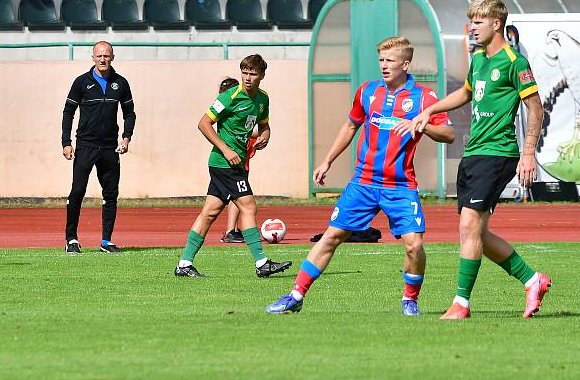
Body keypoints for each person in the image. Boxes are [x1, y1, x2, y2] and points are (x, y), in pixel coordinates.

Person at [266, 37, 455, 314]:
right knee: (330, 237)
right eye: (381, 60)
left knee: (414, 246)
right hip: (363, 182)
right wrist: (327, 161)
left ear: (406, 64)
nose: (384, 65)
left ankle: (409, 300)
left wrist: (422, 123)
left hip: (400, 186)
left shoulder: (425, 98)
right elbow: (350, 125)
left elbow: (449, 134)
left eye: (390, 60)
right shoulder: (367, 91)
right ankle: (295, 295)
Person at [407, 0, 551, 319]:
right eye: (471, 21)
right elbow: (466, 94)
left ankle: (461, 303)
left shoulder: (515, 62)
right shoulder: (480, 59)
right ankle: (532, 279)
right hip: (474, 153)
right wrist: (430, 109)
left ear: (496, 23)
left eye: (478, 22)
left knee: (469, 226)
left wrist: (528, 153)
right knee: (476, 233)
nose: (472, 27)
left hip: (498, 153)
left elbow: (536, 107)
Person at [174, 54, 292, 278]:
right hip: (223, 163)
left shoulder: (263, 99)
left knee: (209, 213)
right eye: (244, 72)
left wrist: (266, 135)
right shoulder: (230, 97)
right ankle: (261, 263)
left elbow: (264, 125)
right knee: (248, 206)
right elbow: (203, 123)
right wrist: (226, 149)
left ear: (262, 76)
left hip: (236, 164)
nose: (247, 78)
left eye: (252, 74)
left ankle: (184, 264)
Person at [62, 41, 136, 254]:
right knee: (77, 191)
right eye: (99, 56)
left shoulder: (121, 83)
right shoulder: (81, 82)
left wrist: (126, 138)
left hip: (110, 148)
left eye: (106, 55)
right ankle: (71, 238)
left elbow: (129, 113)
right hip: (86, 146)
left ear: (112, 57)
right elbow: (68, 112)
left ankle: (106, 241)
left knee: (111, 194)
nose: (102, 59)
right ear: (93, 58)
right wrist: (66, 142)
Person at [217, 77, 258, 244]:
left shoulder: (250, 106)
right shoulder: (227, 108)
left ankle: (232, 230)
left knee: (211, 209)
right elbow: (247, 130)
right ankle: (231, 231)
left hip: (241, 158)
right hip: (230, 161)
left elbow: (248, 128)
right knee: (242, 199)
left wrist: (264, 133)